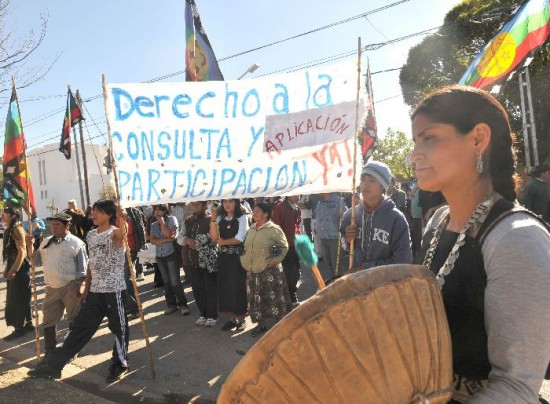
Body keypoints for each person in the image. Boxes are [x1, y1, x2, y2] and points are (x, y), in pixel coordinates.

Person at [412, 86, 550, 402]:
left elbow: (516, 387)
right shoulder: (437, 222)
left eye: (429, 138)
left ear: (478, 139)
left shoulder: (518, 238)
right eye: (415, 141)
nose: (415, 154)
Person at [28, 199, 130, 382]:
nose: (94, 213)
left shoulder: (114, 232)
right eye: (94, 210)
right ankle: (55, 365)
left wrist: (122, 217)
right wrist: (86, 286)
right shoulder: (91, 235)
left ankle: (119, 363)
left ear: (108, 214)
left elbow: (122, 234)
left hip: (114, 291)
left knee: (119, 329)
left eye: (98, 211)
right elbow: (91, 263)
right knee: (80, 329)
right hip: (94, 292)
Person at [30, 212, 88, 353]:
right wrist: (29, 245)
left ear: (67, 226)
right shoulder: (45, 242)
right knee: (49, 319)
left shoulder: (77, 244)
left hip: (71, 286)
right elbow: (35, 261)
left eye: (57, 225)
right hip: (51, 287)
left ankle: (71, 350)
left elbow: (83, 269)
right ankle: (50, 352)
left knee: (74, 319)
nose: (53, 227)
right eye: (52, 224)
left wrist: (81, 286)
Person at [342, 161, 412, 270]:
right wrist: (349, 241)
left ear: (383, 187)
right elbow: (345, 252)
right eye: (362, 179)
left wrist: (363, 269)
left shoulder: (396, 219)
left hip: (385, 285)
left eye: (372, 180)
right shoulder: (351, 215)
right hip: (357, 284)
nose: (365, 184)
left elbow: (403, 261)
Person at [240, 202, 292, 337]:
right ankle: (260, 324)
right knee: (257, 299)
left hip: (269, 271)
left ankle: (281, 324)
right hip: (253, 270)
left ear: (266, 214)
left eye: (257, 211)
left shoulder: (274, 229)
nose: (254, 213)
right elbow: (246, 246)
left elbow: (284, 246)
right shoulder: (251, 228)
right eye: (254, 211)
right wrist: (244, 258)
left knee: (274, 298)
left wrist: (275, 260)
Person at [210, 199, 249, 331]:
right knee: (226, 287)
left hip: (237, 258)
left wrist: (223, 242)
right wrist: (213, 220)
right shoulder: (220, 218)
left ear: (236, 203)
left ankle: (242, 319)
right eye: (225, 202)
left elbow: (240, 238)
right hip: (223, 258)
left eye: (230, 202)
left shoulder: (242, 217)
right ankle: (232, 319)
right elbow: (214, 239)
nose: (227, 204)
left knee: (238, 287)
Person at [150, 204, 189, 315]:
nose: (157, 212)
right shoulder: (153, 224)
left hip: (171, 254)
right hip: (160, 255)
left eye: (159, 210)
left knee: (175, 281)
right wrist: (165, 239)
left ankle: (183, 304)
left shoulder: (172, 219)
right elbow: (152, 240)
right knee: (166, 281)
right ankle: (171, 304)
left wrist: (162, 223)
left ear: (164, 210)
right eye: (155, 210)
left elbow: (171, 236)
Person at [2, 201, 32, 341]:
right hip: (14, 264)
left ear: (14, 215)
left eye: (6, 212)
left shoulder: (16, 229)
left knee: (17, 297)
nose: (3, 215)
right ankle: (28, 324)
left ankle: (19, 328)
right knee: (21, 295)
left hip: (20, 267)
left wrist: (14, 270)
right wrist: (7, 268)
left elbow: (22, 252)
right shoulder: (10, 228)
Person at [184, 201, 218, 327]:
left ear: (204, 205)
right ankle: (203, 313)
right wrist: (189, 241)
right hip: (192, 259)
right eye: (194, 204)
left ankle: (212, 315)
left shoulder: (210, 219)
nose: (195, 206)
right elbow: (182, 238)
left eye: (198, 204)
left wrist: (196, 242)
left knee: (210, 289)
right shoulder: (189, 220)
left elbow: (213, 239)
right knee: (198, 289)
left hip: (207, 260)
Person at [272, 195, 302, 306]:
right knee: (290, 273)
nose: (297, 196)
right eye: (295, 194)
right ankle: (290, 296)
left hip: (295, 244)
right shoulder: (279, 208)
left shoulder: (296, 207)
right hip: (285, 246)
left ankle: (290, 294)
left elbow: (297, 226)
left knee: (296, 272)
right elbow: (276, 228)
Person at [314, 193, 347, 277]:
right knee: (329, 264)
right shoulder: (320, 203)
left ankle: (340, 286)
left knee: (337, 266)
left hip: (334, 238)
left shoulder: (338, 201)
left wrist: (343, 216)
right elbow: (317, 216)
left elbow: (347, 216)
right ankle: (334, 282)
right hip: (323, 238)